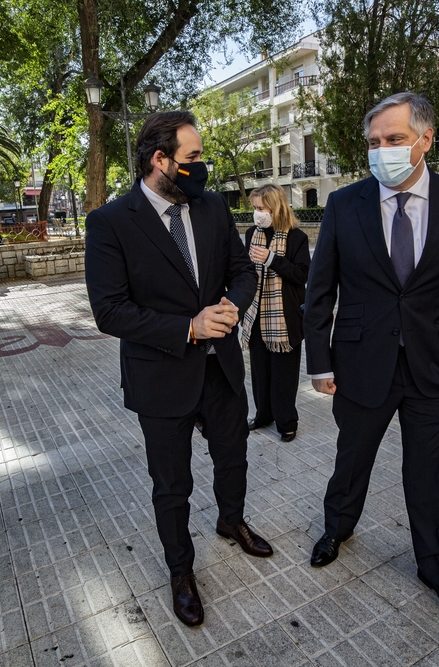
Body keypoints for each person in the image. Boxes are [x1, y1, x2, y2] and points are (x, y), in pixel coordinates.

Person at [303, 92, 439, 624]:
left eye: (393, 139)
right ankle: (337, 527)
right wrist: (320, 364)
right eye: (374, 142)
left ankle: (437, 570)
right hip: (360, 365)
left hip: (435, 367)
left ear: (425, 140)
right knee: (352, 457)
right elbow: (320, 294)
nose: (380, 150)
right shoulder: (345, 204)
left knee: (427, 475)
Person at [85, 110, 273, 628]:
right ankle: (181, 570)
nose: (201, 167)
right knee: (172, 484)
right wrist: (189, 327)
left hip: (222, 368)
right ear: (159, 159)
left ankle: (231, 521)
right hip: (161, 374)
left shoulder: (212, 207)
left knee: (233, 458)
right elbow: (110, 311)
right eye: (192, 157)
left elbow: (241, 271)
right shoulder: (110, 222)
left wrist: (231, 306)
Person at [241, 184, 310, 442]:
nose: (257, 213)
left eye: (261, 208)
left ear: (276, 207)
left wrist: (272, 259)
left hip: (285, 318)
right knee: (260, 371)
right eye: (255, 208)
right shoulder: (251, 233)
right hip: (256, 314)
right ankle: (263, 415)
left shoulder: (296, 237)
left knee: (284, 374)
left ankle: (286, 421)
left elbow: (302, 274)